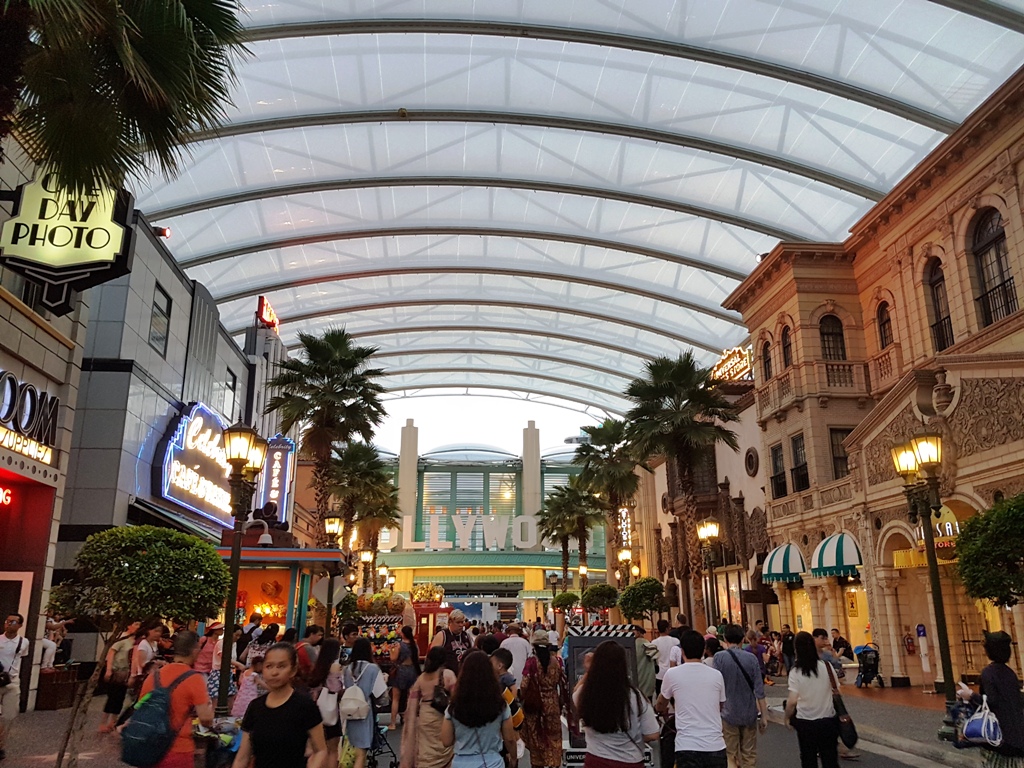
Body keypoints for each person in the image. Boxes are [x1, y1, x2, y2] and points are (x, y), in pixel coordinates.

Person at [233, 643, 327, 768]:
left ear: (293, 670)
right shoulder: (255, 707)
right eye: (269, 666)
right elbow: (242, 757)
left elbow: (320, 750)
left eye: (281, 666)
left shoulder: (305, 706)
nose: (274, 672)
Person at [575, 640, 660, 768]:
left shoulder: (587, 694)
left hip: (596, 759)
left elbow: (576, 692)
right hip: (629, 760)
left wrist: (589, 671)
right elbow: (653, 734)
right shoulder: (635, 696)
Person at [137, 631, 214, 768]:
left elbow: (140, 707)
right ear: (195, 650)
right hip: (178, 749)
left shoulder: (154, 676)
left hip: (149, 748)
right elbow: (206, 718)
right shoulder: (194, 679)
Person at [656, 630, 727, 768]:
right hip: (715, 745)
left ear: (682, 651)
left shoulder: (672, 674)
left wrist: (659, 708)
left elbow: (661, 703)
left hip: (686, 746)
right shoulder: (716, 675)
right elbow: (720, 705)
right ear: (703, 651)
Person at [442, 649, 517, 768]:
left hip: (461, 763)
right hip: (492, 762)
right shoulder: (500, 705)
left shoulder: (454, 707)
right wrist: (513, 758)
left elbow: (446, 741)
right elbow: (510, 739)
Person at [959, 631, 1024, 767]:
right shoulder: (1010, 673)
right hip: (1017, 735)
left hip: (997, 736)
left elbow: (991, 702)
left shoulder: (988, 673)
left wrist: (970, 695)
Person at [714, 625, 768, 768]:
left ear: (725, 638)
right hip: (749, 712)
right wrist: (764, 715)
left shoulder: (719, 658)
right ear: (743, 639)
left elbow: (715, 687)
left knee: (730, 754)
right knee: (749, 754)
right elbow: (759, 690)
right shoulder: (751, 658)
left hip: (728, 712)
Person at [784, 631, 839, 768]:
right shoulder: (827, 666)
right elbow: (837, 690)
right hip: (828, 720)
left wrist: (787, 717)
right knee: (830, 759)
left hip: (806, 721)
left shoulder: (796, 671)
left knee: (808, 759)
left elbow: (792, 701)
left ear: (796, 649)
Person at [400, 646, 457, 768]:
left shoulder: (422, 678)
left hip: (425, 715)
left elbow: (412, 703)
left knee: (426, 747)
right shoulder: (448, 674)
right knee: (445, 743)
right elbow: (456, 698)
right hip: (443, 716)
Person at [519, 629, 568, 768]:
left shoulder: (531, 662)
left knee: (536, 737)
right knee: (554, 736)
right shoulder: (556, 661)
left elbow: (524, 684)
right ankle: (554, 762)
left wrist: (523, 698)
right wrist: (561, 701)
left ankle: (538, 763)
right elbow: (562, 682)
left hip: (535, 706)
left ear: (534, 646)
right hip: (552, 703)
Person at [344, 638, 385, 768]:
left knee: (351, 747)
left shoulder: (347, 669)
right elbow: (380, 694)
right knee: (361, 753)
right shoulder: (372, 669)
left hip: (348, 710)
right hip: (364, 711)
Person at [98, 620, 140, 734]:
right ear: (129, 626)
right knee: (112, 697)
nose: (138, 627)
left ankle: (112, 722)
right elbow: (111, 653)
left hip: (126, 673)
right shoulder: (122, 638)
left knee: (120, 698)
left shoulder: (135, 641)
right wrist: (108, 669)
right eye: (136, 624)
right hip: (117, 671)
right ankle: (103, 722)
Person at [308, 638, 344, 768]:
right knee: (332, 749)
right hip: (330, 710)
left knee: (318, 748)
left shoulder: (317, 666)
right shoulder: (335, 666)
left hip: (316, 709)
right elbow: (335, 689)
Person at [0, 613, 28, 760]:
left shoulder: (24, 642)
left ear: (20, 625)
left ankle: (1, 745)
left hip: (12, 682)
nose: (9, 623)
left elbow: (20, 658)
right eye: (7, 621)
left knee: (9, 716)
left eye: (13, 622)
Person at [389, 625, 421, 729]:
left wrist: (391, 650)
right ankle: (409, 720)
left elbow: (393, 658)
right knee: (410, 698)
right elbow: (418, 657)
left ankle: (393, 723)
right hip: (412, 670)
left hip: (401, 671)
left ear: (402, 634)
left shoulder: (399, 645)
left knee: (396, 698)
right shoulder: (415, 645)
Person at [209, 625, 244, 702]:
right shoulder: (220, 643)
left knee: (231, 697)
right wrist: (238, 664)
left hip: (230, 672)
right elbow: (225, 657)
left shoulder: (234, 644)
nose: (238, 638)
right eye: (236, 635)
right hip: (218, 672)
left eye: (239, 636)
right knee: (217, 699)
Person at [430, 609, 472, 674]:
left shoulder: (466, 636)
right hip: (447, 674)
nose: (461, 625)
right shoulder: (442, 635)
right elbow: (433, 657)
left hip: (464, 673)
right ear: (450, 622)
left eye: (462, 622)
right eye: (458, 622)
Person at [232, 655, 268, 719]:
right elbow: (262, 684)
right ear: (258, 665)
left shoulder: (245, 672)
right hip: (251, 696)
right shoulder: (254, 675)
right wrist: (271, 689)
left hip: (242, 695)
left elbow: (240, 682)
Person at [651, 619, 680, 696]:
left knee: (660, 695)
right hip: (673, 672)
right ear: (667, 628)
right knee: (674, 696)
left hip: (659, 674)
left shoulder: (654, 643)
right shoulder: (675, 641)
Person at [632, 625, 657, 701]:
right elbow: (656, 662)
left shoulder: (631, 645)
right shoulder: (650, 645)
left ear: (638, 632)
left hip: (635, 681)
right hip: (649, 681)